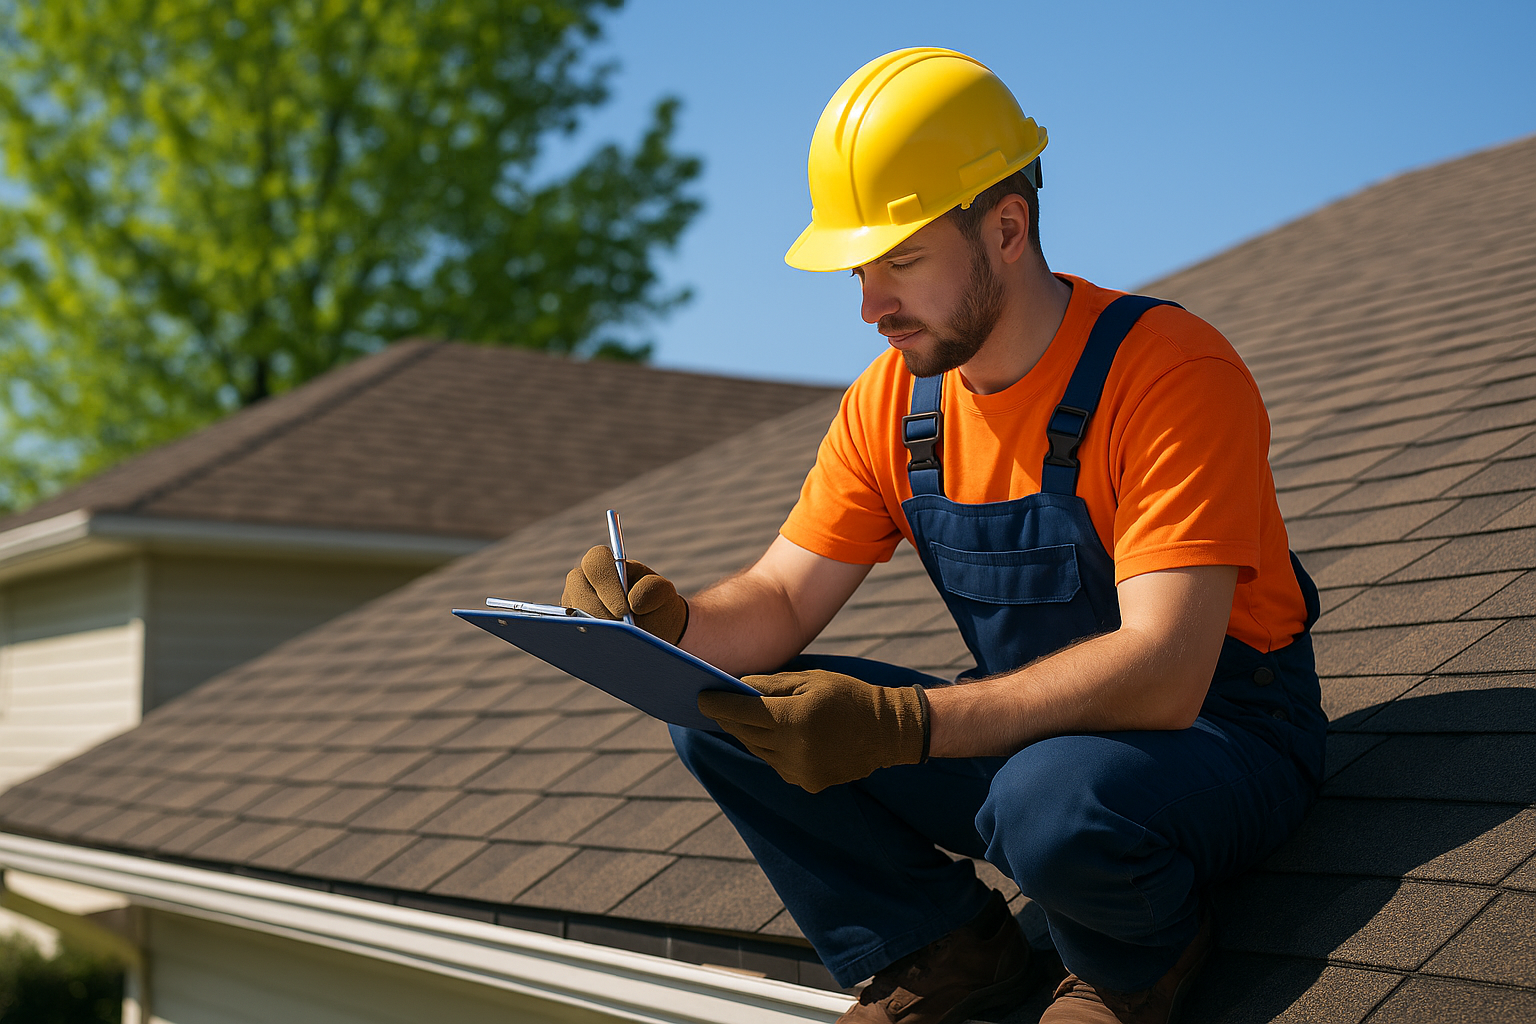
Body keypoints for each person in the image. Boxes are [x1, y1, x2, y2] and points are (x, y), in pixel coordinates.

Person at [563, 47, 1326, 1024]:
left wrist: (902, 727)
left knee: (1048, 798)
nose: (871, 306)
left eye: (901, 263)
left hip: (1223, 737)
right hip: (1037, 736)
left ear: (1008, 227)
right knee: (725, 715)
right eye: (860, 270)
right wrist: (666, 628)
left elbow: (1168, 670)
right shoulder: (893, 403)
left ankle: (1136, 963)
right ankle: (948, 953)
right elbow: (787, 598)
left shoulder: (1170, 373)